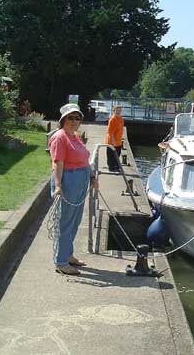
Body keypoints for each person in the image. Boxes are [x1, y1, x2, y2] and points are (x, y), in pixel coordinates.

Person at [48, 103, 99, 275]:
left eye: (77, 118)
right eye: (71, 117)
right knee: (65, 223)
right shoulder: (59, 137)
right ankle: (61, 262)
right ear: (63, 119)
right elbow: (58, 163)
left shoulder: (75, 136)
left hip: (80, 181)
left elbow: (85, 160)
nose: (75, 121)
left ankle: (68, 254)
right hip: (68, 181)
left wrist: (92, 177)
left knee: (75, 221)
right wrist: (58, 185)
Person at [105, 105, 125, 172]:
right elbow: (110, 132)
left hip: (118, 141)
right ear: (114, 111)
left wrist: (120, 138)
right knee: (111, 156)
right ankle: (111, 168)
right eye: (117, 110)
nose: (118, 112)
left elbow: (120, 130)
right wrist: (113, 141)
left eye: (120, 110)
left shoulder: (121, 119)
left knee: (117, 155)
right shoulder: (113, 119)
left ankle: (116, 167)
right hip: (112, 141)